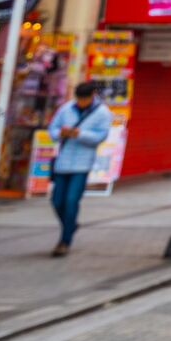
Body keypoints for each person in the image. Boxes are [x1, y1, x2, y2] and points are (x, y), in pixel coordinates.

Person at [46, 81, 111, 257]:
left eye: (84, 99)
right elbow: (52, 128)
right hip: (62, 162)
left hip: (82, 164)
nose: (81, 102)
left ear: (92, 97)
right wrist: (60, 133)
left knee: (71, 200)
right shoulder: (66, 109)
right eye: (79, 98)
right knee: (57, 201)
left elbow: (101, 136)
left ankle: (64, 241)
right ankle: (71, 225)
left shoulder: (102, 113)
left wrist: (80, 134)